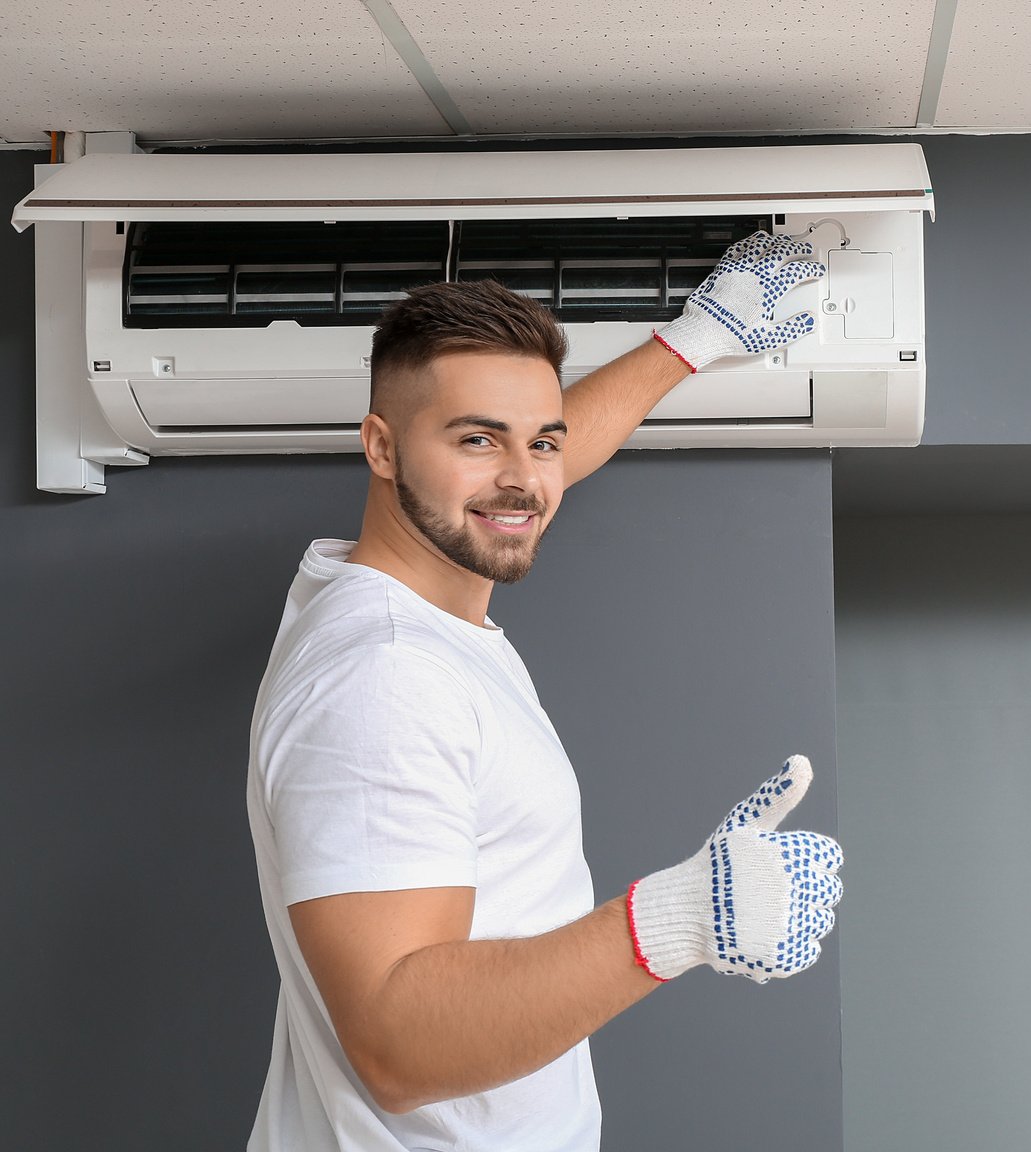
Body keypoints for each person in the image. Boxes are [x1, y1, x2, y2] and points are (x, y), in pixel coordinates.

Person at [244, 231, 843, 1151]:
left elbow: (516, 475)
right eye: (476, 439)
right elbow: (396, 1045)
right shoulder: (385, 677)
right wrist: (679, 918)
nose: (522, 477)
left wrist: (693, 340)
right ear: (381, 447)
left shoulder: (397, 600)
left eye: (543, 442)